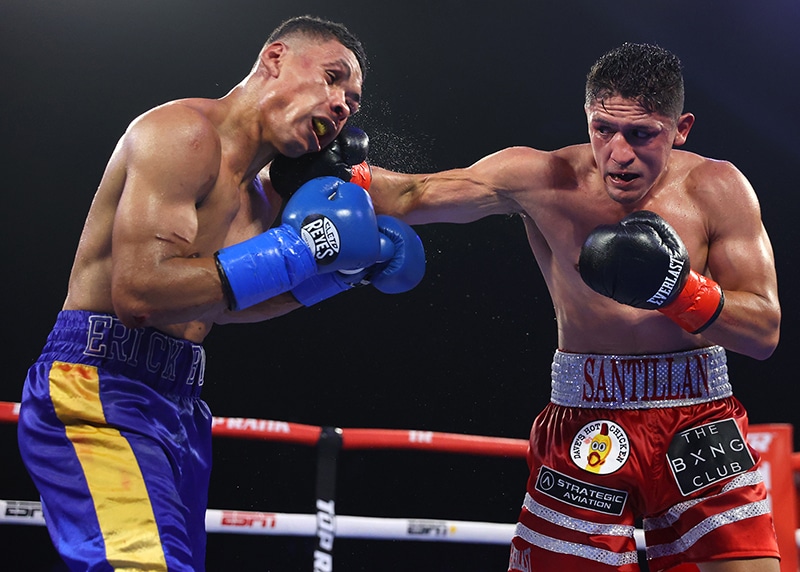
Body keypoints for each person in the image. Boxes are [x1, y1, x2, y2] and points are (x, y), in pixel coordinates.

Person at [271, 42, 782, 571]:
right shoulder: (541, 178)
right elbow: (413, 195)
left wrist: (678, 290)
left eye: (642, 134)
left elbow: (764, 332)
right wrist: (325, 173)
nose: (619, 153)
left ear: (681, 129)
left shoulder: (717, 188)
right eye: (603, 129)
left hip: (697, 416)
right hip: (588, 417)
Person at [17, 15, 424, 571]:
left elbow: (227, 301)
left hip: (179, 404)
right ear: (275, 58)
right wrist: (304, 250)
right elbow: (140, 295)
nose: (342, 105)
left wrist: (335, 276)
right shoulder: (184, 134)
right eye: (333, 78)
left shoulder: (260, 199)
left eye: (352, 101)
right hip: (97, 385)